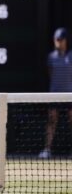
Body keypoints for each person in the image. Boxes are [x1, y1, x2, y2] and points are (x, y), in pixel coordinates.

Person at [38, 28, 72, 159]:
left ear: (65, 41)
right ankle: (47, 150)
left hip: (69, 96)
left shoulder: (71, 56)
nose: (58, 42)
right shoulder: (51, 57)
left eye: (60, 40)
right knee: (52, 121)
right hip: (54, 95)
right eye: (56, 40)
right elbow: (50, 73)